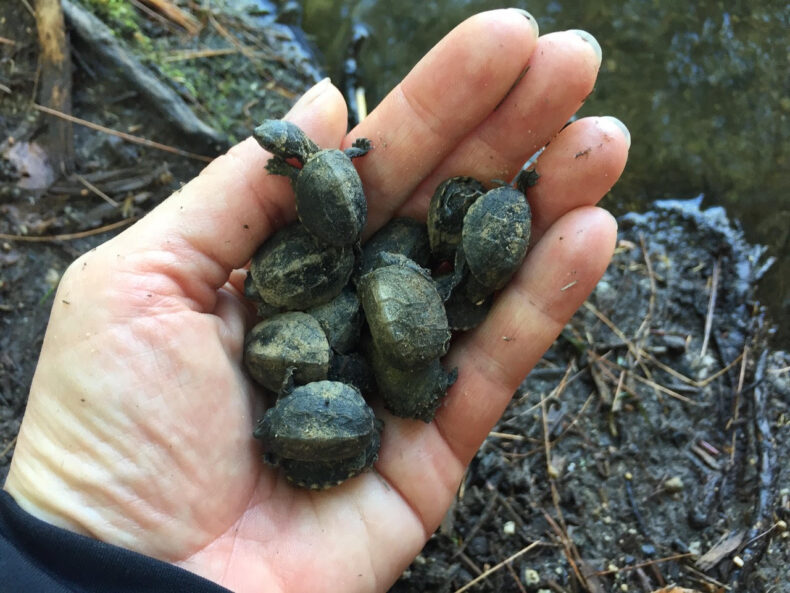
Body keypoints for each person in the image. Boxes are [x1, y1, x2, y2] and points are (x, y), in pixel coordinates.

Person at [1, 9, 629, 592]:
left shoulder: (352, 242)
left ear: (287, 152)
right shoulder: (332, 262)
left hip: (369, 322)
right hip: (342, 334)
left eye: (276, 146)